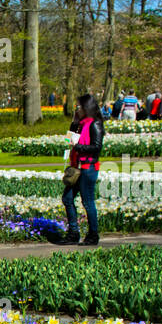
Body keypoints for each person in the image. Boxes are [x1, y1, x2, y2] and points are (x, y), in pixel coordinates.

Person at [57, 93, 105, 246]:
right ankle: (73, 232)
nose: (77, 108)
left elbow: (97, 147)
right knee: (67, 198)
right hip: (77, 167)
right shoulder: (81, 123)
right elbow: (68, 140)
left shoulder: (95, 124)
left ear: (87, 107)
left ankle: (93, 234)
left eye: (79, 106)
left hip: (88, 168)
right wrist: (73, 123)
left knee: (88, 201)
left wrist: (78, 147)